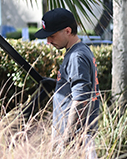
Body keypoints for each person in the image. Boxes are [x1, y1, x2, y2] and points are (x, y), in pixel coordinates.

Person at [34, 8, 100, 155]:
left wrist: (66, 139)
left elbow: (81, 99)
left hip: (75, 142)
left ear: (68, 31)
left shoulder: (77, 56)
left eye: (52, 35)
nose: (48, 41)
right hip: (77, 140)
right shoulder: (81, 50)